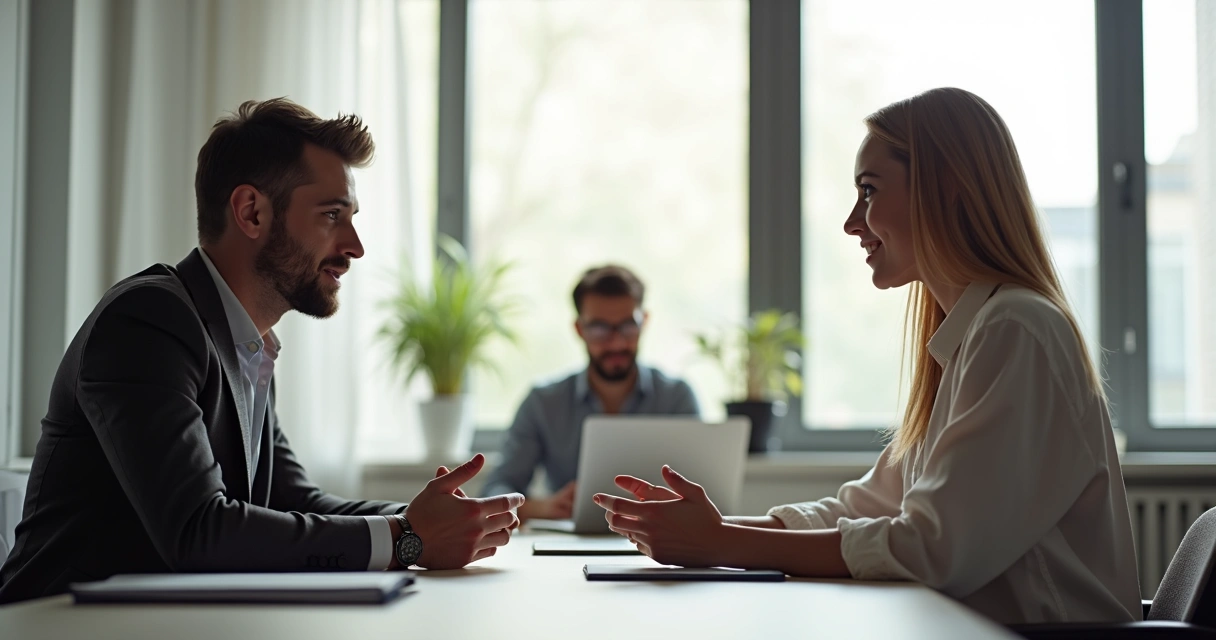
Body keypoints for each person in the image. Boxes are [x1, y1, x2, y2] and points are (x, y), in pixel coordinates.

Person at [593, 87, 1141, 625]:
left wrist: (723, 542)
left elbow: (931, 549)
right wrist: (709, 529)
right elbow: (869, 507)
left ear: (945, 187)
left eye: (870, 191)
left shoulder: (1016, 329)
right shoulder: (972, 335)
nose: (853, 222)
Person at [0, 98, 522, 604]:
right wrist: (406, 535)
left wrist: (435, 519)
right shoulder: (147, 322)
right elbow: (199, 531)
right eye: (332, 215)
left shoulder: (245, 343)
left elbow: (293, 502)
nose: (355, 245)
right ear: (251, 212)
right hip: (53, 624)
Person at [480, 265, 699, 522]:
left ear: (645, 322)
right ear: (579, 329)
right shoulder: (543, 402)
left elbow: (699, 494)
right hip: (568, 544)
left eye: (628, 326)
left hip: (661, 546)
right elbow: (496, 490)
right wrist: (545, 507)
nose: (616, 342)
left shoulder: (677, 398)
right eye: (599, 329)